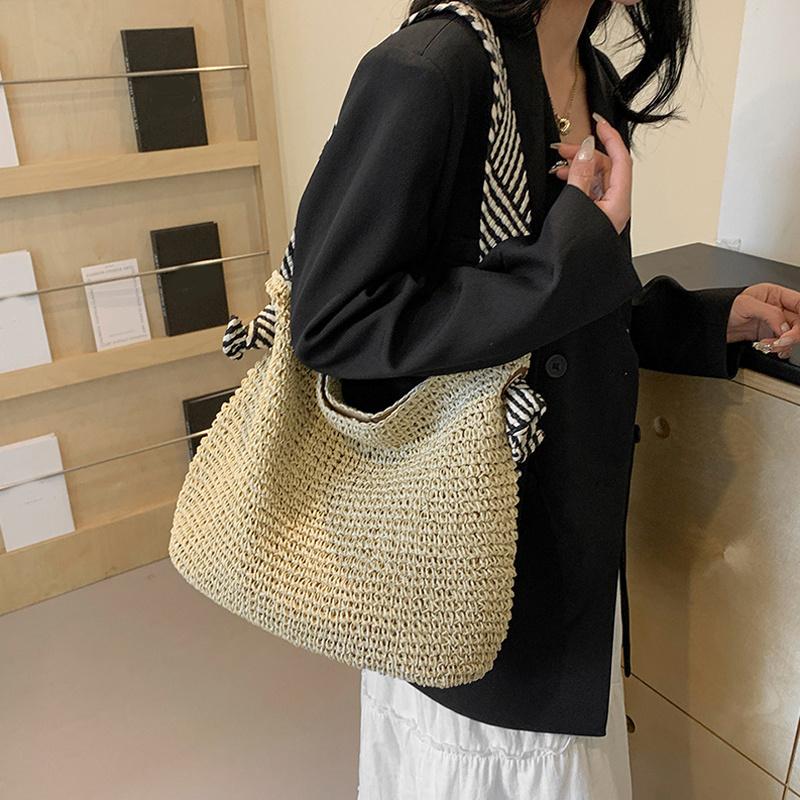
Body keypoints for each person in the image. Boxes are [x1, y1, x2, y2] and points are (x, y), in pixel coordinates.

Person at [288, 0, 800, 797]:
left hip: (567, 548)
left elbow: (579, 310)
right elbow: (333, 320)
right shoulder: (433, 68)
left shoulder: (592, 78)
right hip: (464, 555)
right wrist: (569, 253)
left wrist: (710, 321)